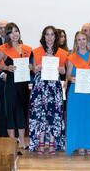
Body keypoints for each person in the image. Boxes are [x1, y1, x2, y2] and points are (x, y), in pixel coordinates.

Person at [29, 26, 68, 155]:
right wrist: (37, 68)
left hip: (54, 88)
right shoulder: (37, 51)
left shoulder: (62, 53)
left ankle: (52, 143)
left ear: (55, 37)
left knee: (54, 115)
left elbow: (65, 71)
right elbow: (33, 69)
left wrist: (62, 70)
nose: (50, 37)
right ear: (43, 36)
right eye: (47, 34)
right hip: (40, 88)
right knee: (40, 115)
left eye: (52, 34)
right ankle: (40, 143)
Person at [0, 22, 31, 150]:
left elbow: (31, 67)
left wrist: (30, 67)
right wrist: (6, 67)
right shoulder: (3, 49)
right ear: (7, 34)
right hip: (11, 85)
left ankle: (21, 140)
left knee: (21, 112)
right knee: (11, 112)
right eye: (11, 32)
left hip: (23, 85)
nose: (14, 34)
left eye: (16, 31)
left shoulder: (26, 49)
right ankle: (12, 143)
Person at [66, 31, 90, 155]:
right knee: (77, 117)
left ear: (87, 41)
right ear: (76, 42)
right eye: (78, 40)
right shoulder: (71, 57)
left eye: (83, 39)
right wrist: (72, 79)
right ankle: (79, 144)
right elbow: (68, 75)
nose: (81, 42)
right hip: (76, 91)